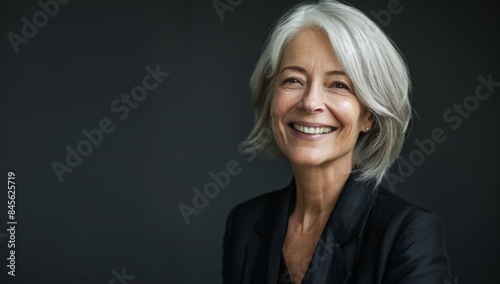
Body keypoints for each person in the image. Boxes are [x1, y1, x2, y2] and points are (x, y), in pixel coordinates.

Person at [222, 0, 452, 283]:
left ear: (369, 115)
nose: (310, 102)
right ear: (271, 97)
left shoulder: (408, 234)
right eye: (293, 80)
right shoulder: (244, 223)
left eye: (339, 85)